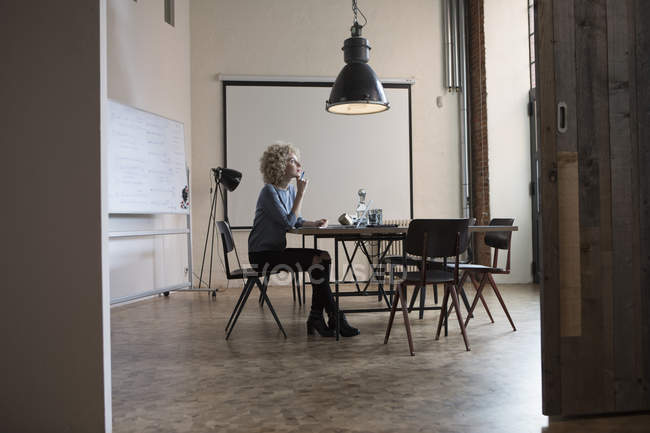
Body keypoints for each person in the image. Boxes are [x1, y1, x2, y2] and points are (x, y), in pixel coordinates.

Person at [248, 143, 359, 337]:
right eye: (292, 160)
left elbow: (296, 220)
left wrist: (314, 223)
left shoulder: (289, 191)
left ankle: (318, 316)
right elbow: (286, 223)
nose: (298, 163)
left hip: (276, 252)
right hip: (262, 256)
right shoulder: (269, 192)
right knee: (316, 260)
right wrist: (301, 193)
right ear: (280, 165)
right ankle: (334, 316)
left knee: (323, 256)